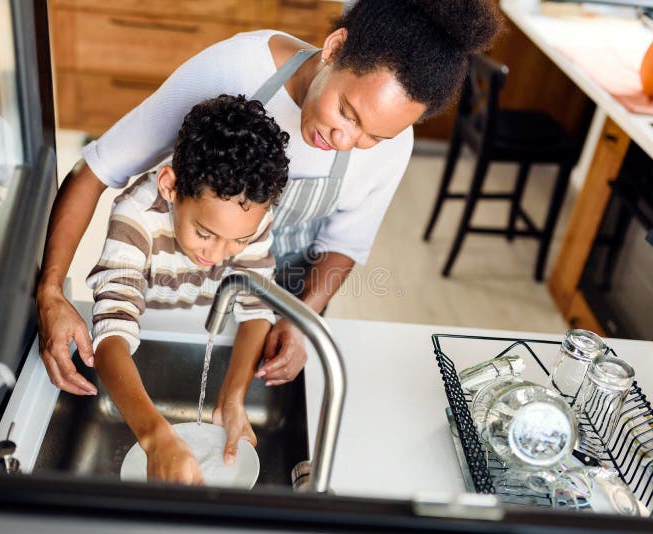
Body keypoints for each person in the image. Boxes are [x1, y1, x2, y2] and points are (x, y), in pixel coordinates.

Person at [36, 0, 503, 396]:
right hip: (166, 303)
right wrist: (51, 291)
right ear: (335, 49)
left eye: (371, 136)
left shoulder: (392, 147)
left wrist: (302, 320)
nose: (345, 139)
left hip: (270, 314)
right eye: (346, 111)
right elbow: (94, 170)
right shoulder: (236, 68)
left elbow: (346, 245)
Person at [88, 94, 290, 484]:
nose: (217, 254)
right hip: (148, 327)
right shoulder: (135, 217)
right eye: (203, 233)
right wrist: (155, 436)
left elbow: (255, 309)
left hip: (207, 325)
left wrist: (232, 398)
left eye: (238, 241)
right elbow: (111, 334)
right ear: (170, 186)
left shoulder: (252, 214)